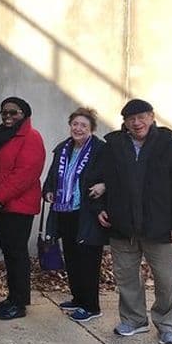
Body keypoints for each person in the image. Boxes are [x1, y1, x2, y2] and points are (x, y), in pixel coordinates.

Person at [91, 99, 172, 344]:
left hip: (161, 229)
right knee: (126, 278)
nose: (136, 123)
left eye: (141, 117)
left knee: (167, 280)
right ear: (125, 123)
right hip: (122, 227)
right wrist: (100, 208)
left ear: (152, 117)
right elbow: (98, 178)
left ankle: (166, 325)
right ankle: (134, 320)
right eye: (131, 119)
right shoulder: (114, 147)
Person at [0, 96, 45, 320]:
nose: (8, 116)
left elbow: (24, 175)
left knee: (17, 254)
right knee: (9, 253)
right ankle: (12, 296)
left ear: (24, 114)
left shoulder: (31, 138)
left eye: (13, 112)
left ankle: (20, 303)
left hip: (18, 207)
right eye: (4, 112)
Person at [42, 107, 107, 322]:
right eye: (75, 124)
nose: (78, 128)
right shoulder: (63, 148)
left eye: (83, 125)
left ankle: (91, 306)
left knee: (88, 261)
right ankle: (78, 298)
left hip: (87, 212)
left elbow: (114, 175)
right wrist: (48, 190)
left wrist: (104, 185)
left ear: (91, 129)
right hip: (65, 211)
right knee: (72, 258)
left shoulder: (100, 149)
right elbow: (52, 176)